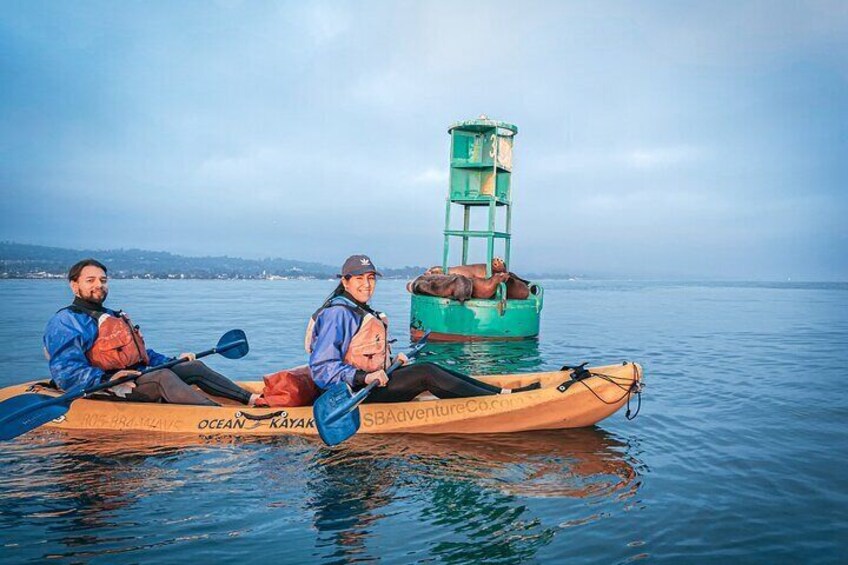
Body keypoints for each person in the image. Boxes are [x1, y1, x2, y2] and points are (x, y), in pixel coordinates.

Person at [306, 255, 539, 402]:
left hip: (372, 383)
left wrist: (388, 363)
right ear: (345, 282)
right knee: (426, 374)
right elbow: (322, 368)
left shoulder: (358, 308)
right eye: (359, 279)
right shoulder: (338, 314)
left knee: (428, 366)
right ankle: (499, 401)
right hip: (351, 395)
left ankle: (500, 393)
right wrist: (364, 377)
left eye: (371, 278)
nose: (366, 285)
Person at [43, 258, 261, 406]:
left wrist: (175, 361)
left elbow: (141, 355)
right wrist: (108, 377)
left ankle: (252, 399)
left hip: (134, 376)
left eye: (103, 280)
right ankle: (219, 416)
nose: (99, 285)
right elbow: (66, 370)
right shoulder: (66, 321)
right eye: (90, 280)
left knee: (192, 366)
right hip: (105, 386)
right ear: (74, 285)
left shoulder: (112, 316)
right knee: (162, 377)